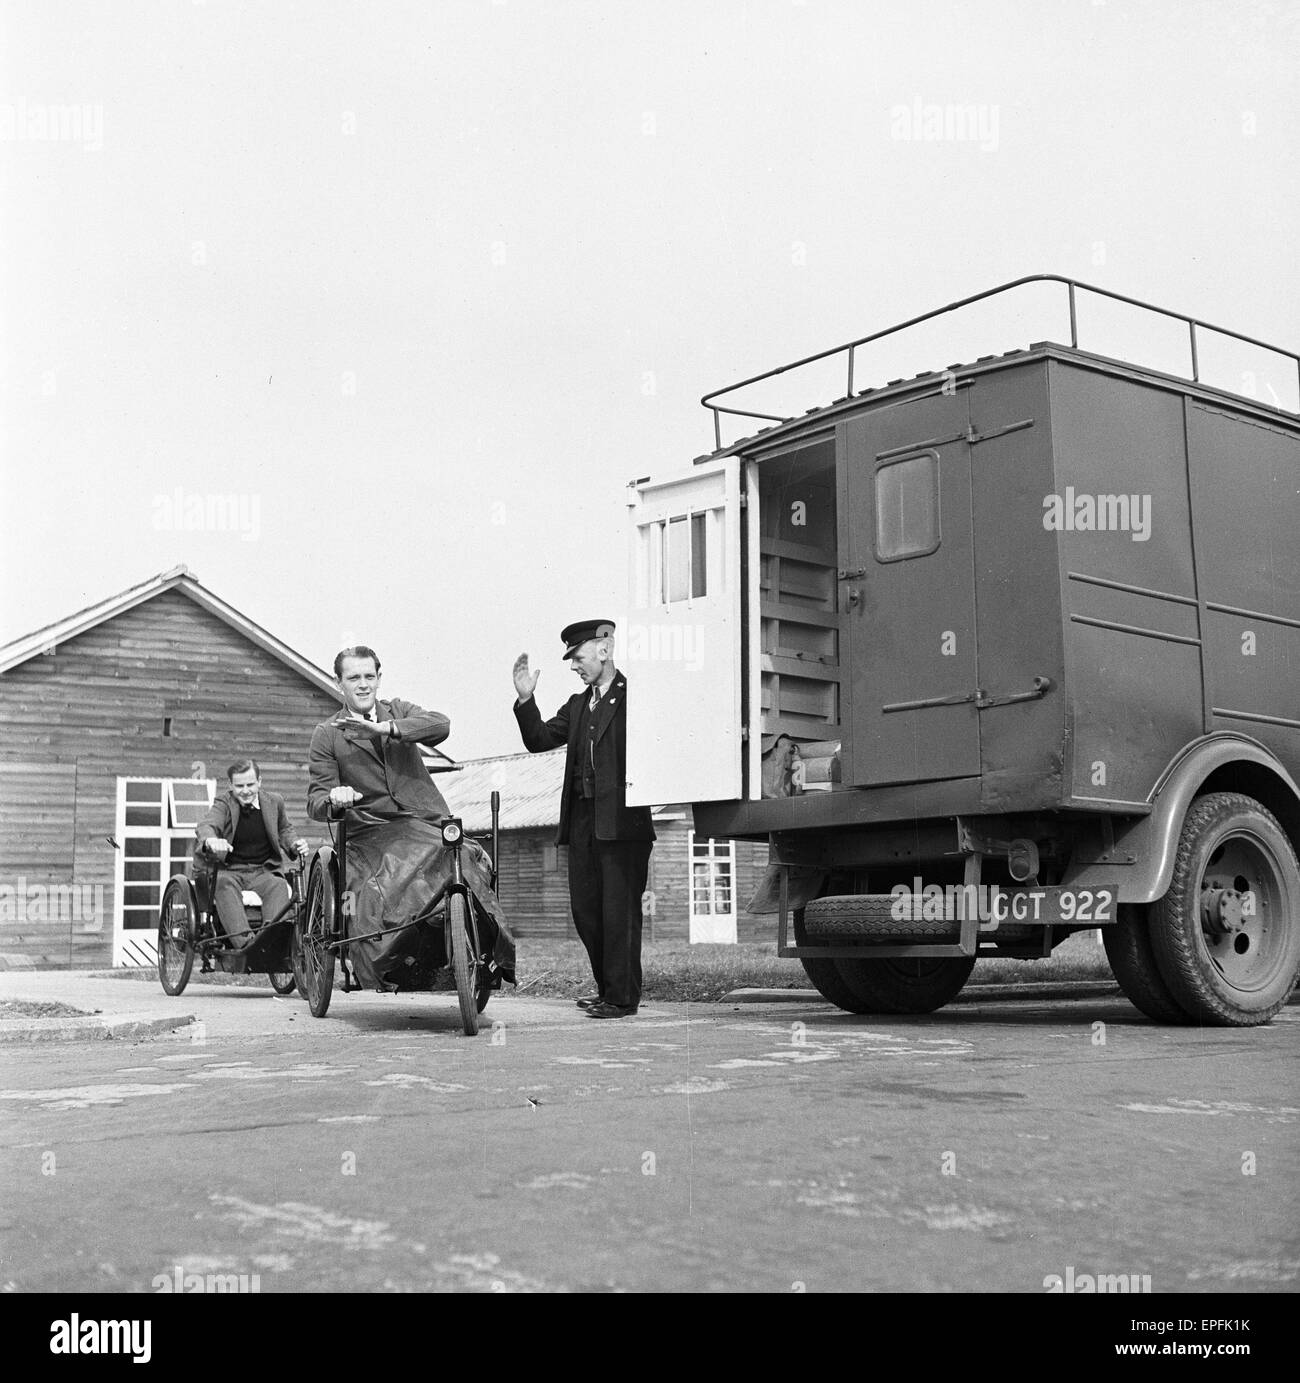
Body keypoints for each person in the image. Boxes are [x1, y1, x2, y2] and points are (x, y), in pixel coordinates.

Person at [307, 646, 515, 991]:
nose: (362, 685)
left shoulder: (397, 711)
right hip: (370, 831)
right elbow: (316, 800)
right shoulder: (327, 733)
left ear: (379, 679)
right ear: (338, 682)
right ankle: (395, 959)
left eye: (369, 676)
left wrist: (386, 729)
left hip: (426, 820)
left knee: (464, 855)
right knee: (379, 882)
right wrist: (335, 797)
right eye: (353, 678)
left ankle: (483, 951)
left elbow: (441, 724)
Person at [513, 619, 654, 1018]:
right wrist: (526, 699)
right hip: (583, 822)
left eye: (578, 657)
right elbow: (538, 739)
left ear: (604, 650)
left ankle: (622, 998)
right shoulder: (577, 705)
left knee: (619, 911)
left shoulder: (637, 696)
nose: (574, 666)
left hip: (624, 822)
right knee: (586, 910)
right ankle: (608, 988)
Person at [195, 760, 308, 949]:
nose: (246, 790)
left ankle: (270, 939)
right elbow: (208, 825)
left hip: (261, 870)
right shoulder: (224, 803)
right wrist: (212, 841)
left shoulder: (274, 802)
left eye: (250, 784)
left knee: (278, 884)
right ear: (231, 785)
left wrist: (295, 845)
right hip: (230, 870)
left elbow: (284, 830)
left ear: (259, 782)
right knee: (223, 884)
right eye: (239, 786)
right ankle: (246, 944)